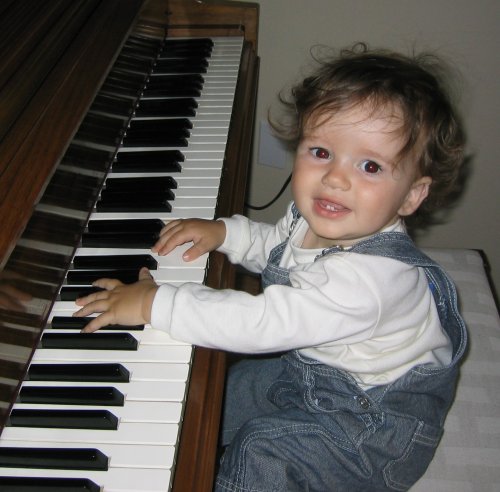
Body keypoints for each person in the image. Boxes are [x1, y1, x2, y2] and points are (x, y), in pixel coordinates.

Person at [75, 43, 468, 491]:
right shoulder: (316, 218)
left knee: (261, 451)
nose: (336, 178)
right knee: (226, 391)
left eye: (370, 166)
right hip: (317, 371)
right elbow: (277, 247)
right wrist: (227, 233)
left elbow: (262, 322)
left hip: (368, 426)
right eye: (321, 152)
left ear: (413, 195)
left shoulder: (370, 281)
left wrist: (156, 304)